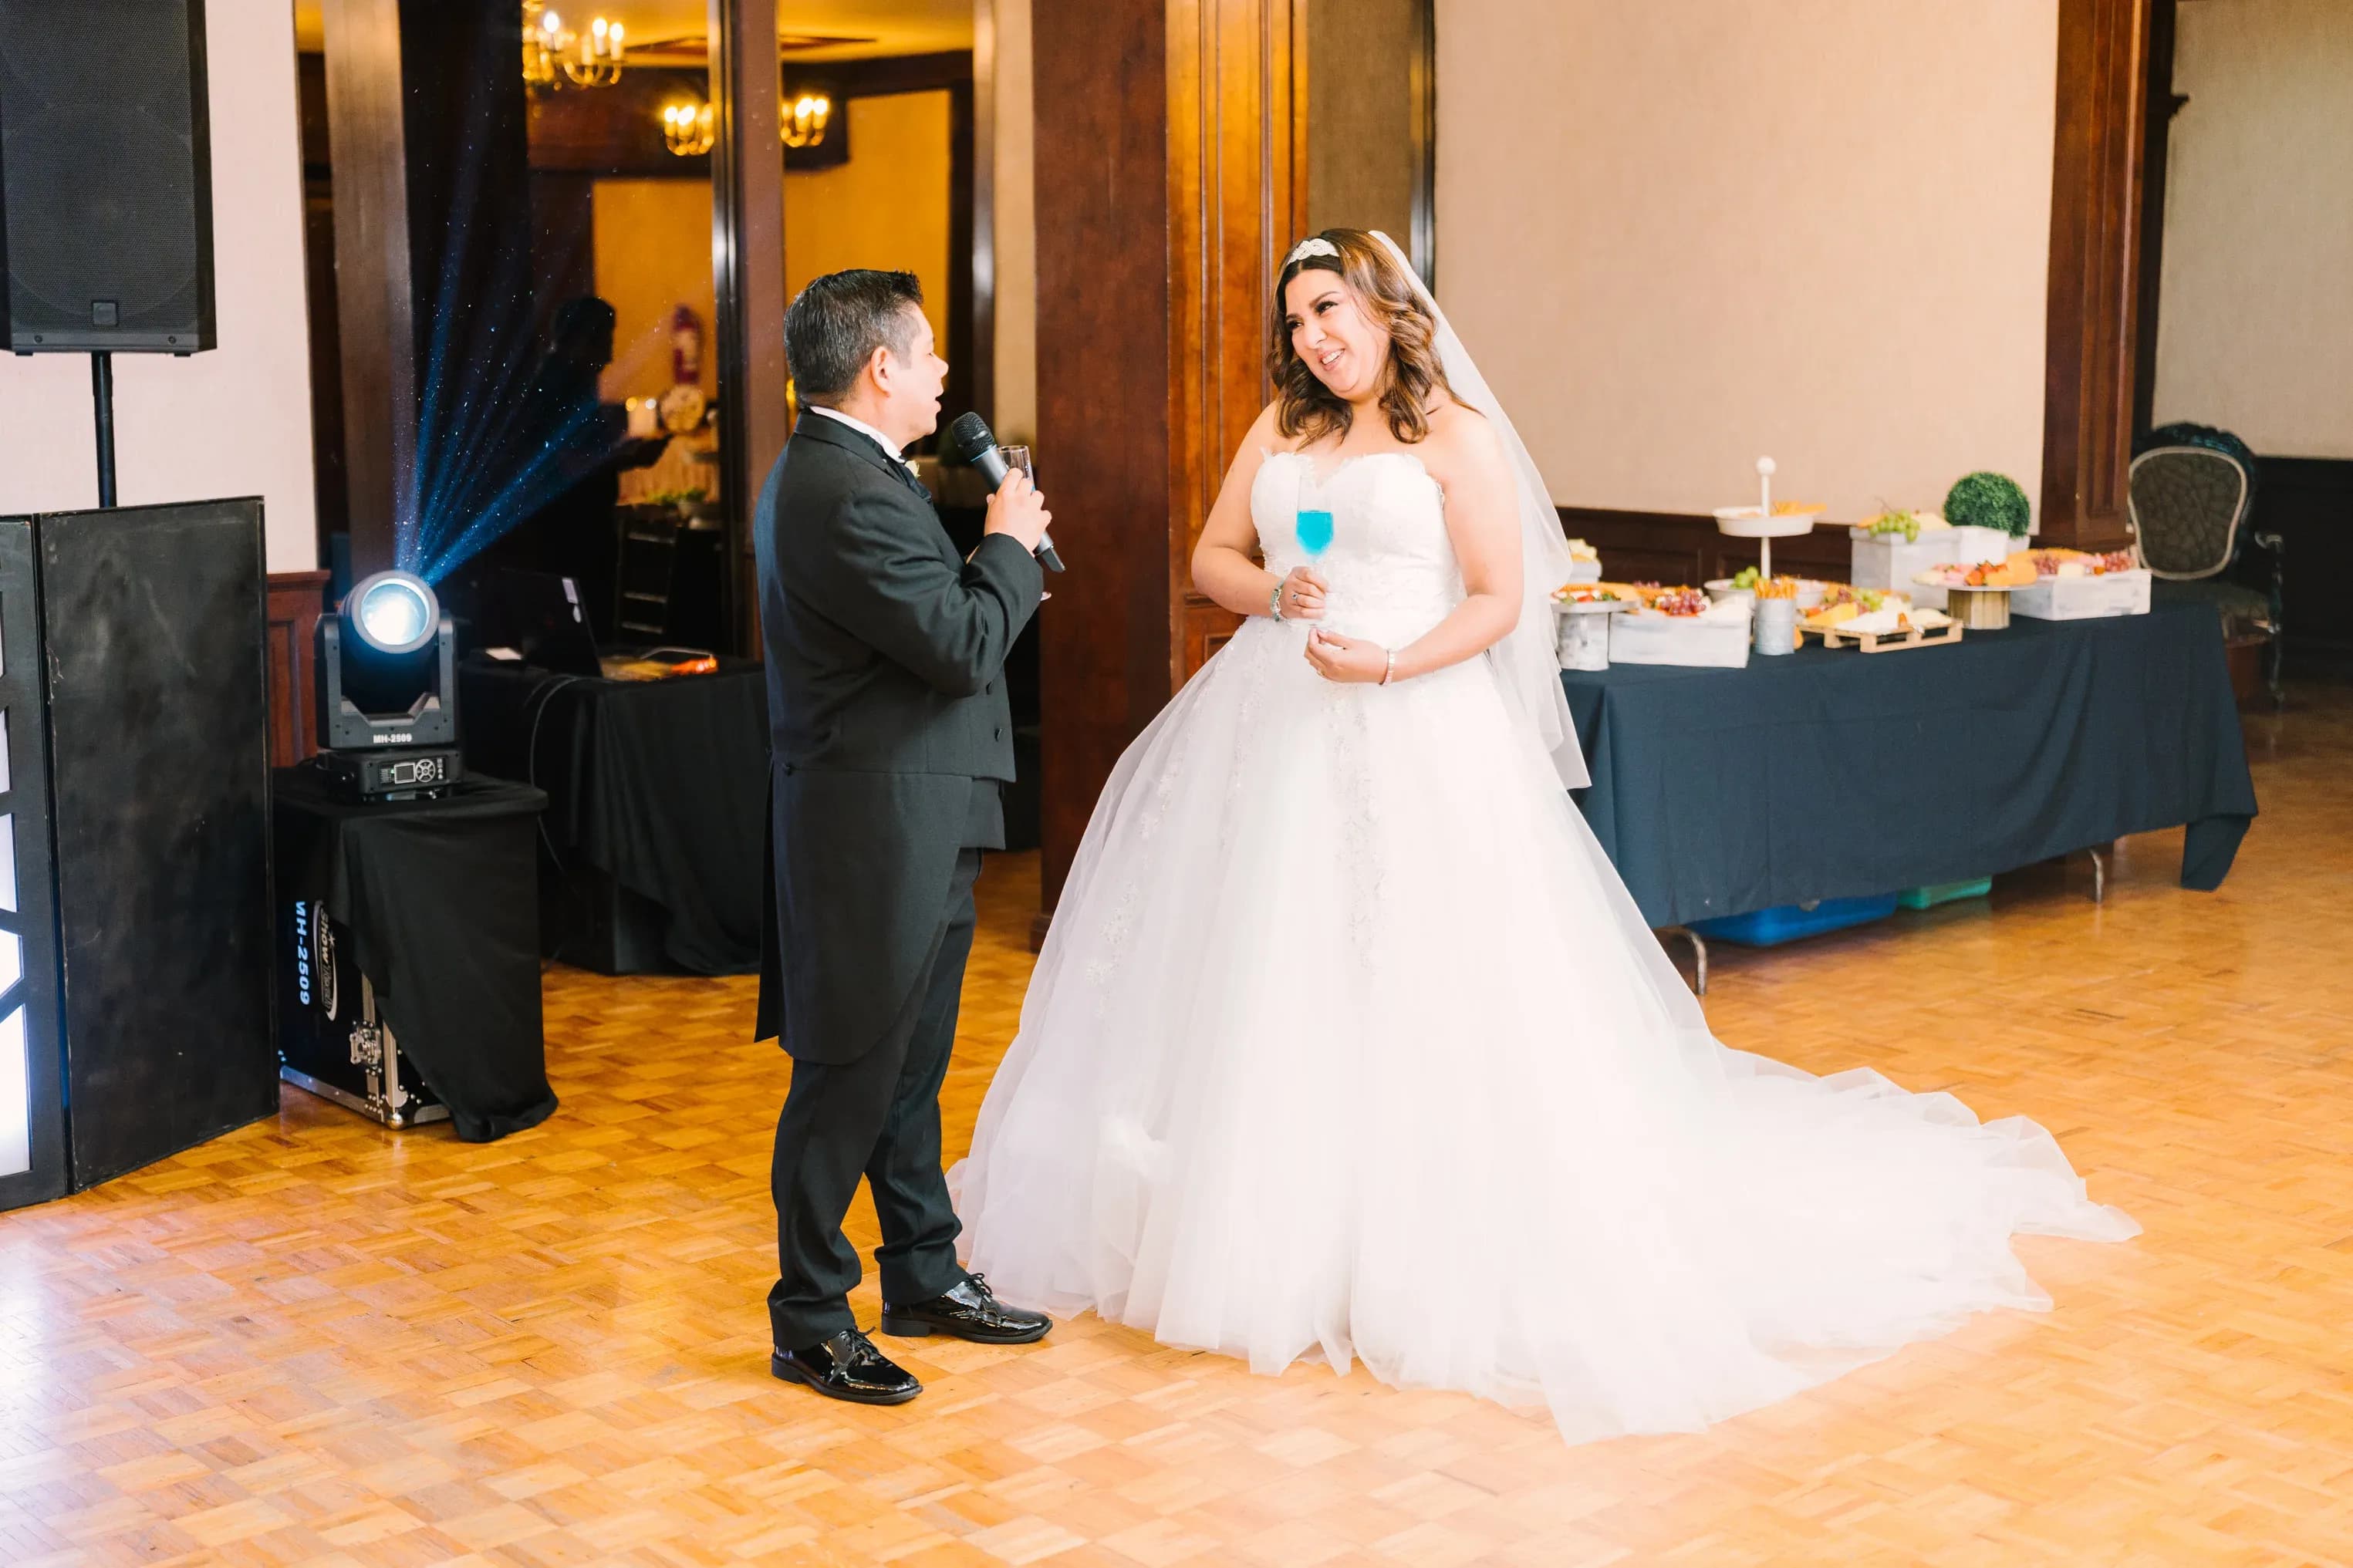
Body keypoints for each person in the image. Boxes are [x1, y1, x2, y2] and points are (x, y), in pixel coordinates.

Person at [950, 231, 2138, 1445]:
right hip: (1275, 716)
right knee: (1272, 959)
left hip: (1409, 716)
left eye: (1332, 310)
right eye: (1298, 317)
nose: (1314, 335)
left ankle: (1423, 1230)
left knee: (1422, 969)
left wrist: (1391, 663)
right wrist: (1275, 593)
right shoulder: (1281, 431)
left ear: (1384, 309)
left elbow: (1499, 602)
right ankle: (1267, 1219)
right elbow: (1213, 555)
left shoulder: (1451, 434)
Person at [755, 270, 1058, 1405]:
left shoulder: (859, 474)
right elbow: (962, 643)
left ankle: (924, 1272)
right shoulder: (838, 488)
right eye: (927, 354)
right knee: (846, 1070)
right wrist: (1010, 544)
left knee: (909, 1067)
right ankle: (809, 1315)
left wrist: (1005, 561)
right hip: (870, 828)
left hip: (920, 811)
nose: (941, 374)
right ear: (879, 367)